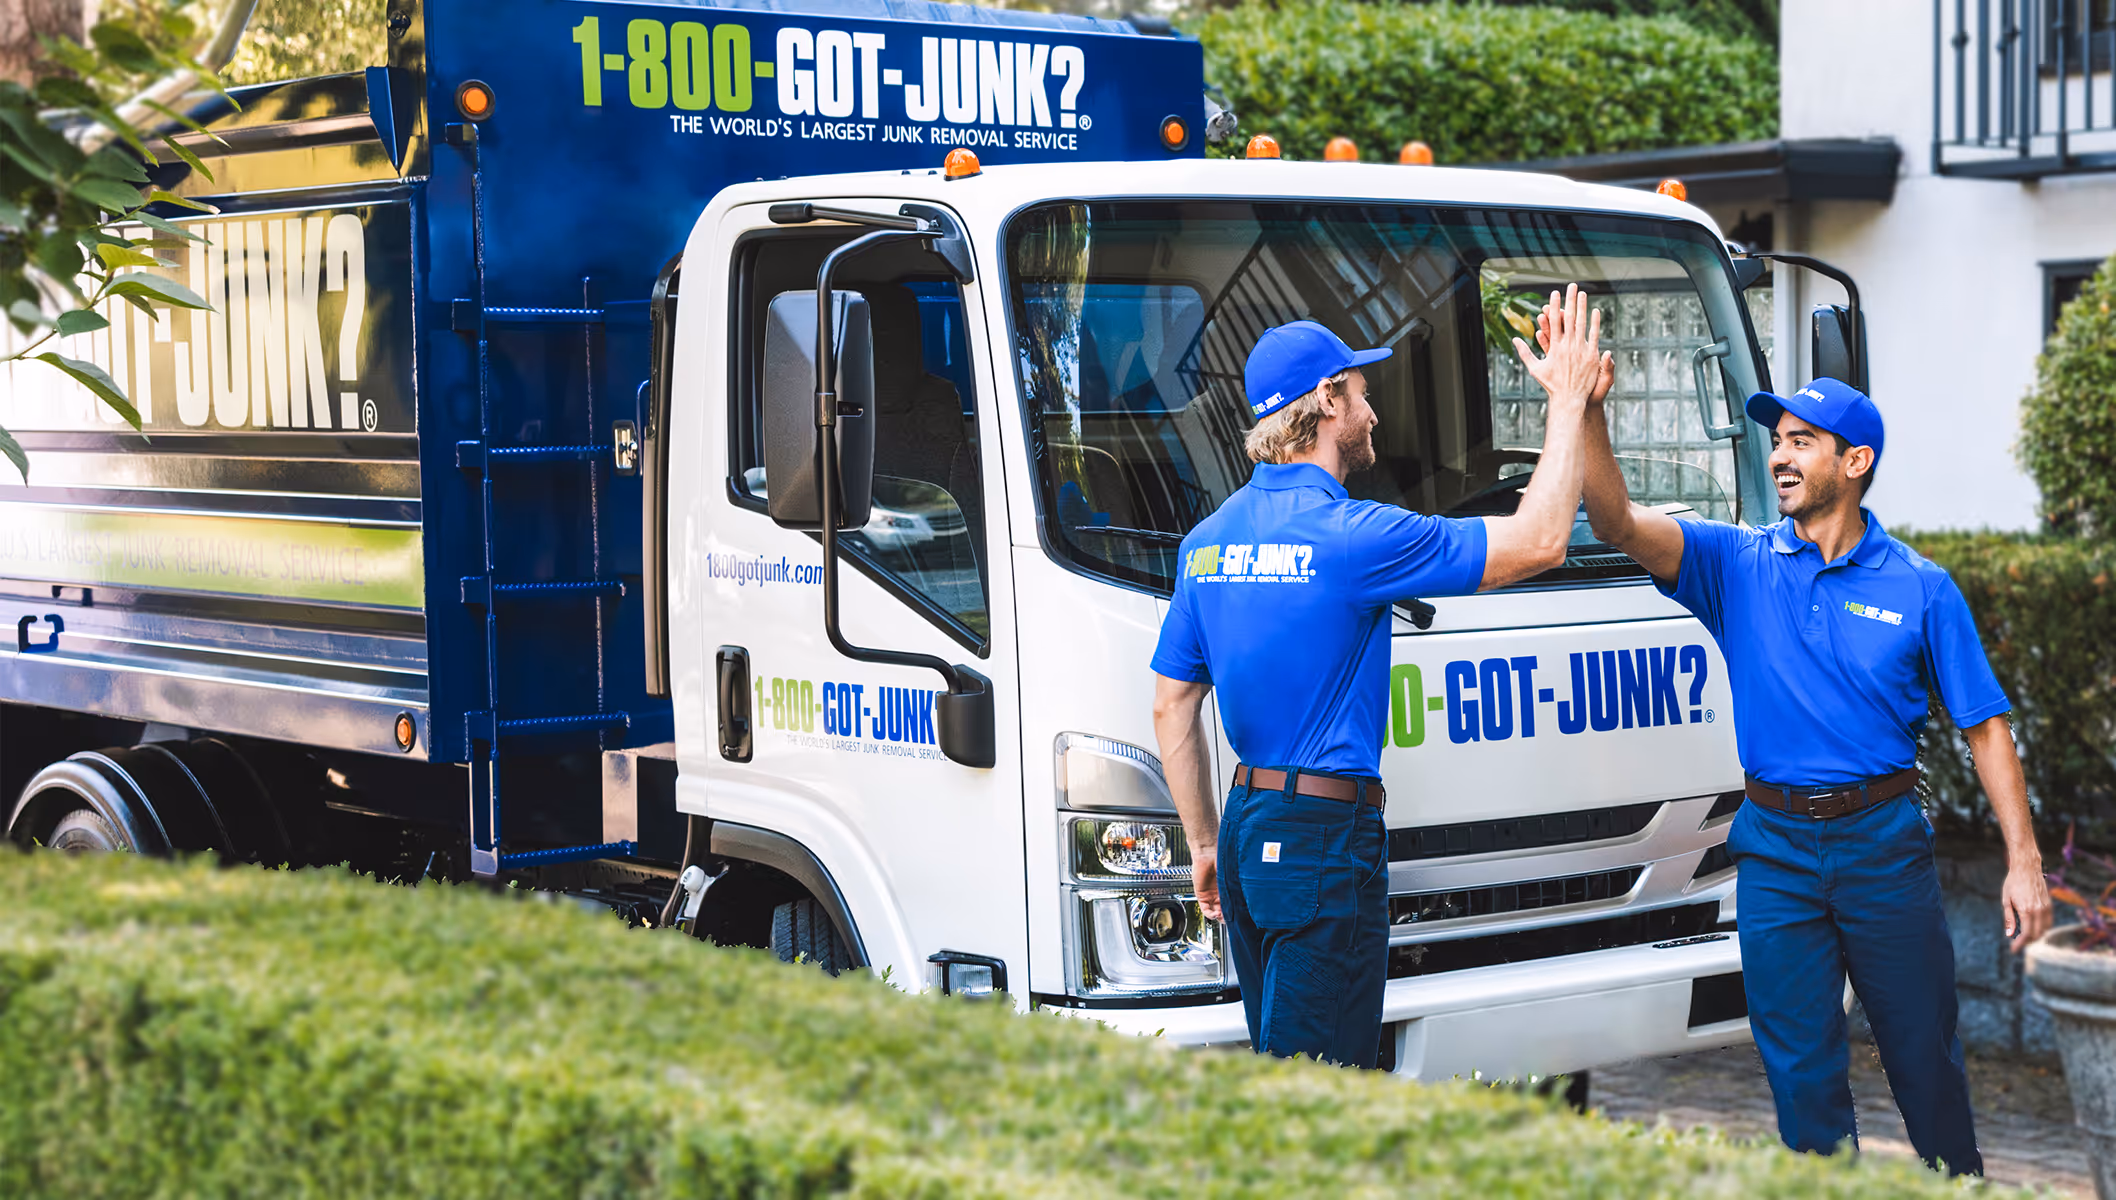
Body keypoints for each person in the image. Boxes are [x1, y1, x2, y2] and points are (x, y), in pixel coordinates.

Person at [1567, 292, 2052, 1174]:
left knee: (1924, 1064)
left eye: (1801, 442)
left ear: (1854, 461)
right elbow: (1616, 525)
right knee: (1801, 1077)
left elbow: (1985, 728)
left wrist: (2023, 860)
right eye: (1777, 439)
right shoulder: (1736, 564)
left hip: (1882, 846)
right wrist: (1589, 416)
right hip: (1775, 852)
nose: (1779, 457)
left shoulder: (1920, 587)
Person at [1149, 290, 1608, 1067]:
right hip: (1323, 843)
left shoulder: (1206, 542)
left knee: (1281, 1072)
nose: (1370, 411)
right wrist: (1567, 403)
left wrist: (1201, 843)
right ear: (1326, 402)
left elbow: (1171, 706)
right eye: (1359, 393)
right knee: (1320, 1100)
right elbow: (1541, 542)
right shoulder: (1353, 536)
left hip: (1245, 830)